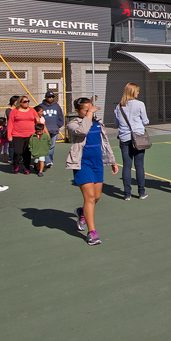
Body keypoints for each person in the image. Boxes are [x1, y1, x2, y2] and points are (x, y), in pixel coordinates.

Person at [67, 97, 118, 246]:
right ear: (77, 111)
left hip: (97, 164)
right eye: (86, 109)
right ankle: (92, 232)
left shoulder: (98, 124)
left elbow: (105, 144)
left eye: (91, 108)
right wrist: (89, 114)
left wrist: (112, 161)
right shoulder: (74, 124)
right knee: (89, 198)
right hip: (82, 163)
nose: (91, 111)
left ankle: (82, 212)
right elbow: (82, 131)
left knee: (96, 197)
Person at [114, 82, 150, 201]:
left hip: (124, 138)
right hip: (138, 137)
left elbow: (116, 123)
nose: (138, 93)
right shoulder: (140, 104)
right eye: (137, 91)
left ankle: (127, 194)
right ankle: (141, 192)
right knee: (139, 165)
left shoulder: (119, 106)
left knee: (126, 166)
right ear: (132, 92)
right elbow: (145, 121)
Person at [7, 95, 38, 174]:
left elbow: (37, 121)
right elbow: (10, 123)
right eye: (25, 101)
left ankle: (26, 168)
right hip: (17, 134)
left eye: (28, 101)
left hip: (30, 134)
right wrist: (9, 135)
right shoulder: (14, 111)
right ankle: (15, 165)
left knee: (27, 152)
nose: (27, 103)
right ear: (20, 103)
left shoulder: (32, 110)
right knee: (17, 152)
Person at [40, 92, 64, 169]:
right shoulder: (41, 106)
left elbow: (60, 116)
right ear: (46, 97)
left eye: (52, 97)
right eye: (49, 97)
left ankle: (49, 160)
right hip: (44, 130)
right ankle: (47, 161)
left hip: (54, 129)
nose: (51, 98)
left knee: (52, 146)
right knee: (45, 146)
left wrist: (59, 125)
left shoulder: (56, 106)